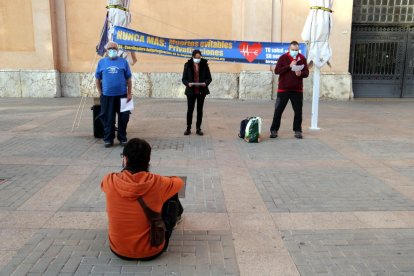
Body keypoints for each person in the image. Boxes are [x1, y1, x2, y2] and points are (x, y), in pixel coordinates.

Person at [101, 138, 184, 260]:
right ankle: (173, 222)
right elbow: (179, 182)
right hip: (151, 251)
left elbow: (104, 185)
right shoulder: (158, 182)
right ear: (148, 161)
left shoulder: (109, 180)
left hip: (118, 249)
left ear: (125, 159)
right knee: (171, 193)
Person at [95, 41, 132, 148]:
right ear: (106, 50)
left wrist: (129, 93)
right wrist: (100, 92)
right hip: (107, 96)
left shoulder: (124, 62)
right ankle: (108, 139)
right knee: (108, 118)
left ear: (117, 50)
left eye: (114, 48)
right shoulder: (101, 62)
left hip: (123, 95)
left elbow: (128, 78)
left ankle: (122, 138)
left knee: (124, 117)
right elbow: (97, 79)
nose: (112, 50)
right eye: (110, 48)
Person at [270, 41, 309, 139]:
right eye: (293, 50)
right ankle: (274, 130)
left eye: (296, 50)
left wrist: (301, 73)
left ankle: (297, 131)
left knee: (298, 112)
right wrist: (289, 66)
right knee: (278, 110)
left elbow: (307, 73)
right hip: (283, 90)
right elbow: (277, 71)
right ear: (289, 49)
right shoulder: (283, 58)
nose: (294, 52)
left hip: (297, 91)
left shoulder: (302, 58)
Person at [182, 49, 212, 136]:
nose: (198, 59)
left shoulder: (205, 65)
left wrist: (205, 83)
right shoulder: (187, 65)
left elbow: (209, 78)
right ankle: (188, 128)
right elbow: (183, 79)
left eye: (199, 57)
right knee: (190, 110)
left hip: (201, 91)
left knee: (200, 110)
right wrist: (188, 84)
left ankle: (198, 128)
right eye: (196, 57)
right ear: (193, 57)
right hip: (191, 91)